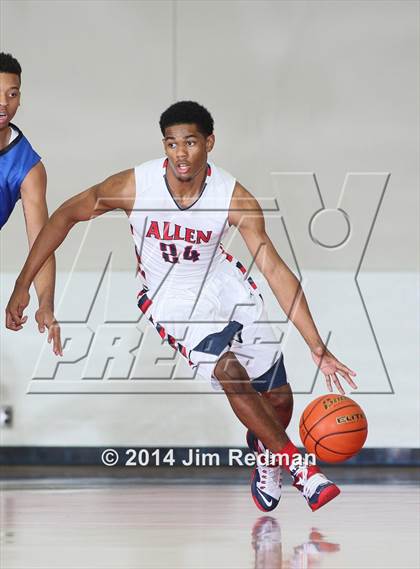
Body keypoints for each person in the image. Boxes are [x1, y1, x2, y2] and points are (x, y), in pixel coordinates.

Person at [6, 101, 357, 511]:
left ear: (209, 142)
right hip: (170, 296)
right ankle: (300, 469)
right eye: (171, 144)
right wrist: (23, 283)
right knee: (230, 372)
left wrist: (316, 345)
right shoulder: (136, 185)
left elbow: (276, 271)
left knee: (278, 397)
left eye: (190, 142)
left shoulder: (232, 196)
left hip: (223, 284)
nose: (180, 154)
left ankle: (266, 452)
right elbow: (65, 214)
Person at [1, 52, 61, 355]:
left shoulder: (28, 168)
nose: (3, 103)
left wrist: (45, 302)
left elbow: (42, 244)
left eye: (11, 94)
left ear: (19, 99)